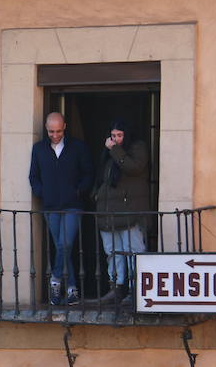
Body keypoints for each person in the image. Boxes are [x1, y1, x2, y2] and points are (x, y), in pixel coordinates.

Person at [29, 111, 93, 305]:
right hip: (50, 206)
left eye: (58, 131)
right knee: (62, 247)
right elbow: (33, 176)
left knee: (64, 244)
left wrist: (78, 191)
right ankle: (72, 288)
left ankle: (55, 281)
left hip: (73, 205)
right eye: (51, 132)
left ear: (64, 126)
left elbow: (89, 173)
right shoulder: (39, 149)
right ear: (46, 130)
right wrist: (42, 193)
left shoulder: (78, 148)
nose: (55, 135)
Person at [93, 118, 151, 305]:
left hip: (129, 213)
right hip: (108, 212)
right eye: (113, 136)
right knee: (112, 252)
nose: (115, 139)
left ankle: (136, 290)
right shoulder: (110, 154)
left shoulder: (136, 148)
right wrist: (96, 195)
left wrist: (114, 150)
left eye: (119, 135)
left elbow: (133, 167)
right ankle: (115, 288)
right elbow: (102, 178)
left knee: (133, 251)